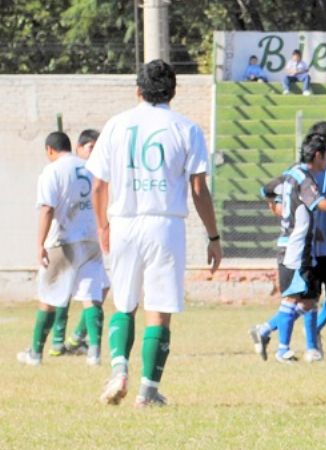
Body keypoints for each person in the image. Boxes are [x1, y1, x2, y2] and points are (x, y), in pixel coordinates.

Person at [86, 59, 223, 407]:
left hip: (123, 222)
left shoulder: (116, 125)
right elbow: (198, 189)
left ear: (138, 90)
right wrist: (213, 236)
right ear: (173, 92)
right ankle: (147, 392)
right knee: (159, 308)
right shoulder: (187, 129)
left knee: (124, 303)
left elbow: (98, 185)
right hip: (165, 224)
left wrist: (103, 226)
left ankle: (119, 370)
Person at [251, 135, 326, 363]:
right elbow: (317, 202)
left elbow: (268, 190)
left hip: (300, 245)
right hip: (296, 246)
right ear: (317, 156)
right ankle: (282, 349)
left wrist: (279, 209)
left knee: (308, 299)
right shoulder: (304, 178)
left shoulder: (290, 175)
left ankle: (272, 334)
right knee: (292, 298)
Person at [16, 131, 108, 367]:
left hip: (63, 239)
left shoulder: (52, 171)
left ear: (50, 150)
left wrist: (40, 244)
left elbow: (47, 209)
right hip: (90, 239)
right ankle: (94, 353)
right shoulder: (90, 167)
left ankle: (35, 353)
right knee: (91, 296)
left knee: (48, 297)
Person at [44, 129, 107, 358]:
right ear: (78, 148)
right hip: (69, 239)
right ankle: (60, 342)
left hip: (89, 239)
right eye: (90, 148)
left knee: (100, 288)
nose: (94, 152)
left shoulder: (95, 172)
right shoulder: (69, 170)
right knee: (67, 290)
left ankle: (76, 337)